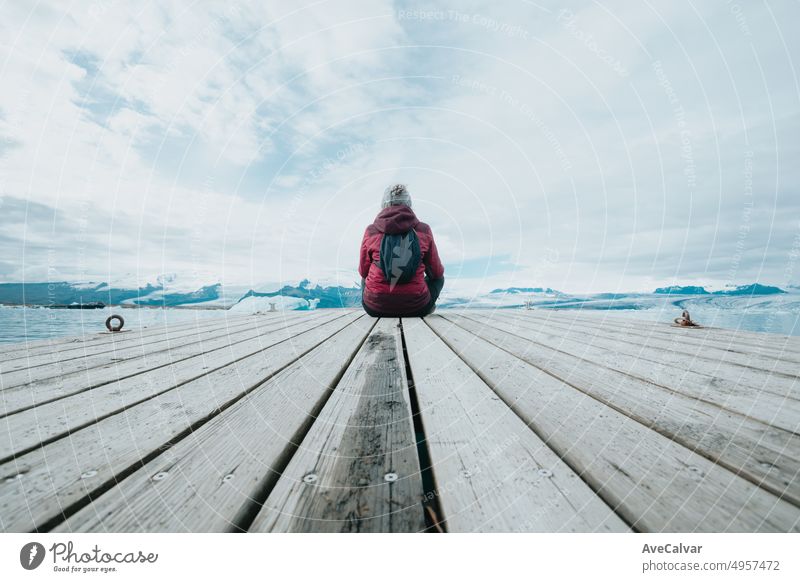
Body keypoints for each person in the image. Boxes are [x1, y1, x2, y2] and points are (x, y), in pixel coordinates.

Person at [359, 184, 445, 317]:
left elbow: (363, 271)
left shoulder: (371, 231)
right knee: (439, 279)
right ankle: (427, 305)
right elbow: (437, 273)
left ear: (384, 204)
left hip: (375, 307)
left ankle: (376, 300)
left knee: (365, 278)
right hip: (417, 306)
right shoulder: (423, 229)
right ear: (409, 204)